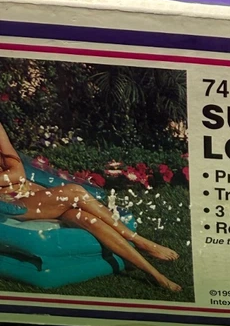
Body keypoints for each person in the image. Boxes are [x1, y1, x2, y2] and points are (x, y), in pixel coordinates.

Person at [0, 121, 181, 292]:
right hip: (13, 205)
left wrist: (13, 177)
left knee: (86, 219)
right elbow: (15, 175)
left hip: (36, 196)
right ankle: (140, 241)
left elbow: (19, 172)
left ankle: (154, 274)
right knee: (74, 191)